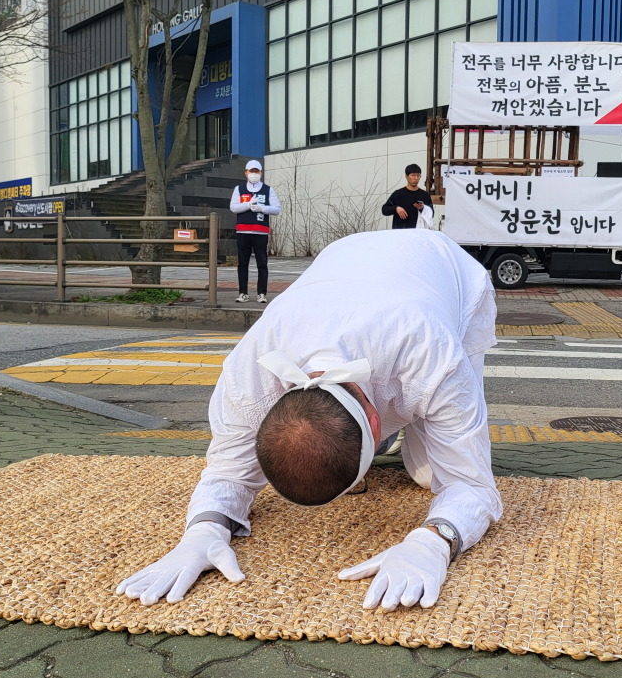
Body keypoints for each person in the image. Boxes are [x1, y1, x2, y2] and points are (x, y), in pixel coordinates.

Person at [116, 229, 501, 612]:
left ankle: (398, 439)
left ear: (375, 418)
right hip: (346, 257)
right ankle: (370, 450)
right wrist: (203, 529)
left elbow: (472, 485)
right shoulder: (250, 375)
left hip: (446, 269)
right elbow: (227, 472)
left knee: (430, 476)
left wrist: (434, 542)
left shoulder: (435, 357)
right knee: (332, 457)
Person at [230, 160, 280, 303]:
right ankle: (243, 293)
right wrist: (247, 204)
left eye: (256, 171)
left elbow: (277, 209)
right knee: (242, 263)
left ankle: (262, 293)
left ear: (261, 173)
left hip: (261, 232)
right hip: (243, 232)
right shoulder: (239, 189)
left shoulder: (268, 190)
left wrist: (262, 208)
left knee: (262, 263)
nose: (254, 174)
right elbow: (233, 208)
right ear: (245, 172)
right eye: (251, 171)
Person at [381, 164, 433, 229]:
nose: (416, 178)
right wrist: (396, 208)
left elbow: (432, 213)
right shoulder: (398, 194)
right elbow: (384, 209)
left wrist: (423, 208)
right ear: (406, 176)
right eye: (413, 175)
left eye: (418, 175)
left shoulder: (425, 195)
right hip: (400, 234)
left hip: (419, 234)